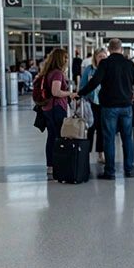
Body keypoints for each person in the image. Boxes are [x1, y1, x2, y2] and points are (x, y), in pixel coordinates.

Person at [77, 39, 134, 180]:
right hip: (126, 106)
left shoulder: (105, 64)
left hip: (109, 107)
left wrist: (81, 92)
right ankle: (129, 169)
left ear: (109, 49)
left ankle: (110, 171)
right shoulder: (129, 64)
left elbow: (95, 82)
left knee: (109, 138)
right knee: (127, 138)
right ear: (121, 49)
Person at [38, 48, 78, 179]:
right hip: (56, 108)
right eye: (66, 58)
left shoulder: (48, 72)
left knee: (51, 136)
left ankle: (51, 165)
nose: (67, 61)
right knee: (58, 137)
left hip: (48, 108)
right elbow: (56, 91)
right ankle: (57, 164)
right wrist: (69, 93)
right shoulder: (57, 73)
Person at [80, 47, 107, 164]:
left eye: (104, 56)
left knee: (102, 129)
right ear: (95, 57)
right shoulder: (89, 70)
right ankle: (88, 153)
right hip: (91, 102)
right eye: (100, 56)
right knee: (90, 128)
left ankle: (101, 153)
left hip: (104, 102)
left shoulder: (108, 69)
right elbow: (83, 84)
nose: (102, 59)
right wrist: (83, 97)